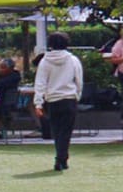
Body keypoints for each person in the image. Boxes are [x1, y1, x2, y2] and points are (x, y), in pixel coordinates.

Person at [34, 32, 85, 171]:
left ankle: (60, 157)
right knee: (66, 131)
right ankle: (62, 158)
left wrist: (38, 102)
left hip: (53, 100)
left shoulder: (45, 61)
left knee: (56, 131)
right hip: (69, 99)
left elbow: (40, 83)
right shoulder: (73, 60)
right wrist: (77, 95)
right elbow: (79, 80)